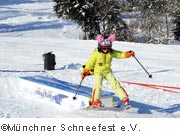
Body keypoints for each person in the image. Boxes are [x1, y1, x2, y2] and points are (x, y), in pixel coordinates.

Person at [81, 34, 135, 109]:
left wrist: (126, 54)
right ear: (100, 46)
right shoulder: (96, 53)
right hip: (98, 72)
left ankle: (124, 98)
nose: (106, 50)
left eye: (108, 48)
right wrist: (86, 71)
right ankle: (95, 101)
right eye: (104, 48)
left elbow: (119, 54)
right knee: (98, 85)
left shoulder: (111, 52)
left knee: (115, 84)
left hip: (107, 71)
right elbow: (90, 63)